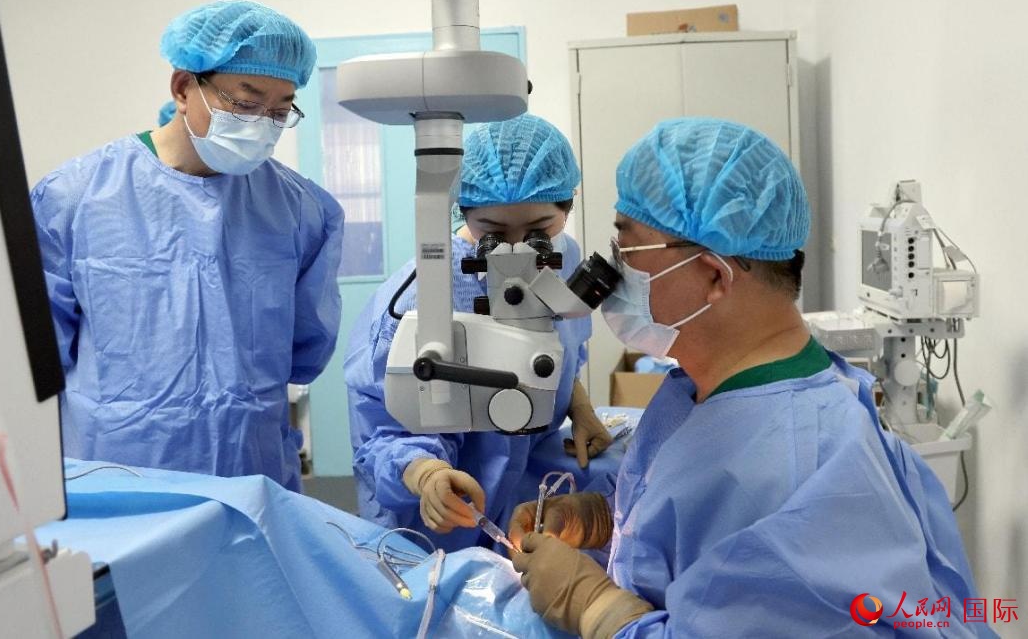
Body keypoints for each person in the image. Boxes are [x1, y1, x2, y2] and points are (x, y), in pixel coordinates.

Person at [508, 118, 993, 638]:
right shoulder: (716, 389)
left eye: (627, 253)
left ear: (715, 276)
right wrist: (603, 520)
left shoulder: (795, 469)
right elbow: (703, 537)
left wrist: (594, 606)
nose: (611, 274)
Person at [30, 0, 344, 491]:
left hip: (249, 471)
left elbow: (306, 352)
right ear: (182, 88)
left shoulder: (301, 210)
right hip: (116, 476)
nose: (262, 123)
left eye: (280, 111)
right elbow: (39, 354)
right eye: (245, 103)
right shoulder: (75, 197)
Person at [345, 113, 612, 551]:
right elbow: (384, 431)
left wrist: (578, 407)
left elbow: (564, 350)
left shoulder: (563, 257)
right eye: (494, 233)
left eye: (539, 231)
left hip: (527, 495)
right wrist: (425, 473)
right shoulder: (423, 298)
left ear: (568, 205)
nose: (517, 249)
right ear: (463, 210)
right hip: (442, 521)